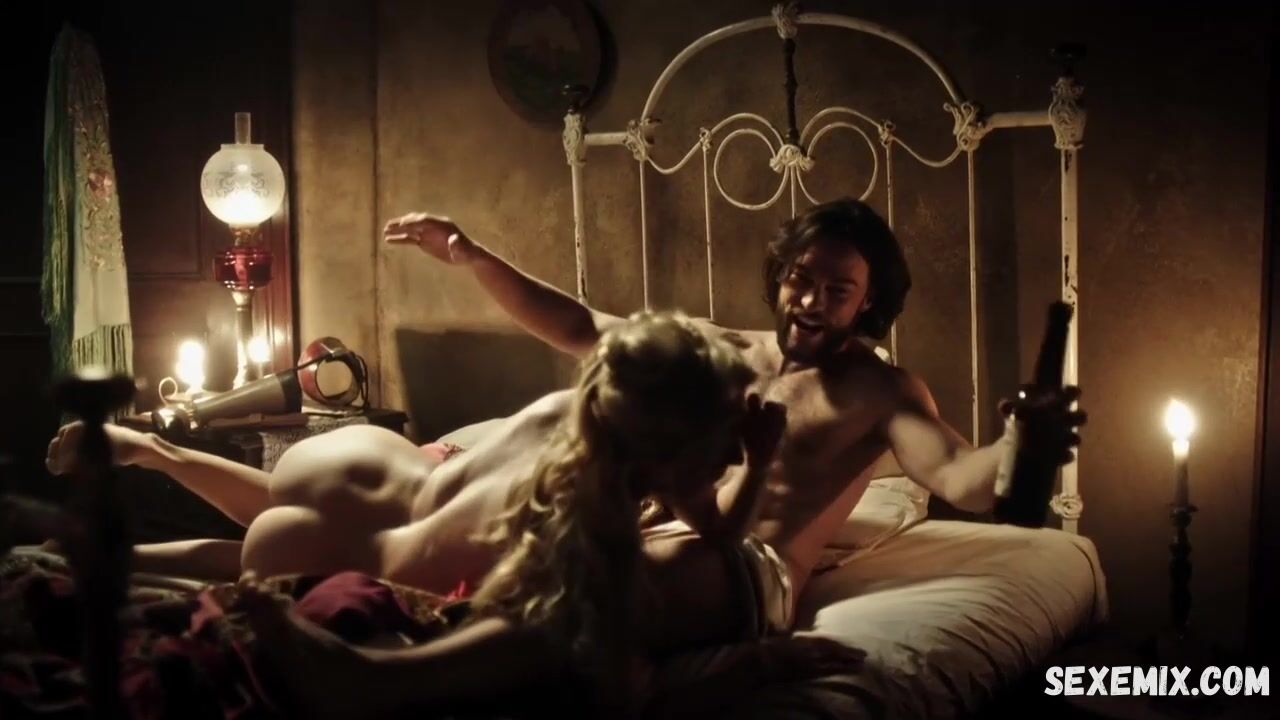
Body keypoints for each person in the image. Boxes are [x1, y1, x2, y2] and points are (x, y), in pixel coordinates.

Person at [380, 196, 1086, 623]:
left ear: (867, 300)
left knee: (586, 594)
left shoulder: (880, 391)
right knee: (539, 507)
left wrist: (1021, 440)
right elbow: (580, 326)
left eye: (837, 291)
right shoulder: (720, 351)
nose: (810, 302)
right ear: (779, 278)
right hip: (662, 531)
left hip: (747, 569)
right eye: (800, 280)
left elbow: (962, 477)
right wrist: (474, 258)